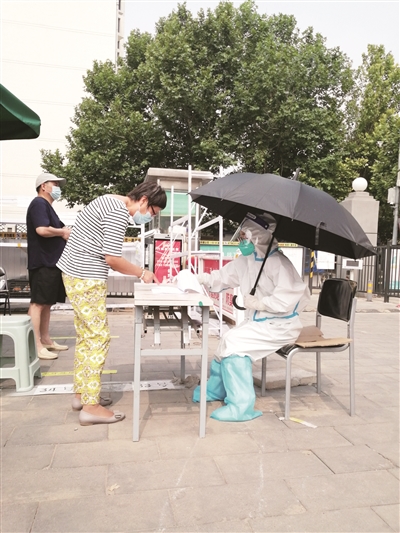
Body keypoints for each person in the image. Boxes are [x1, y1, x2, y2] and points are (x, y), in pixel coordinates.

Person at [57, 182, 167, 426]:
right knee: (98, 338)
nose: (149, 218)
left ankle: (82, 395)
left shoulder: (106, 199)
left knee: (86, 337)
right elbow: (113, 259)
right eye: (153, 212)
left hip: (74, 274)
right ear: (144, 200)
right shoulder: (118, 212)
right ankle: (91, 407)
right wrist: (143, 273)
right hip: (87, 277)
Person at [193, 212, 310, 422]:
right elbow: (223, 277)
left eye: (244, 236)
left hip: (280, 326)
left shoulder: (279, 263)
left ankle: (241, 406)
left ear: (259, 235)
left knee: (234, 344)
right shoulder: (247, 260)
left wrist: (262, 303)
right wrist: (202, 279)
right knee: (225, 341)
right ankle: (215, 391)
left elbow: (290, 298)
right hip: (258, 323)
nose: (241, 240)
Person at [27, 172, 71, 360]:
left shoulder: (47, 207)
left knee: (46, 303)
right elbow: (42, 229)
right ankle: (36, 345)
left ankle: (45, 340)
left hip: (51, 262)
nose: (58, 188)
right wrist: (62, 232)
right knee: (38, 303)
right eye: (55, 184)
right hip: (43, 262)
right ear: (43, 186)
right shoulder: (39, 203)